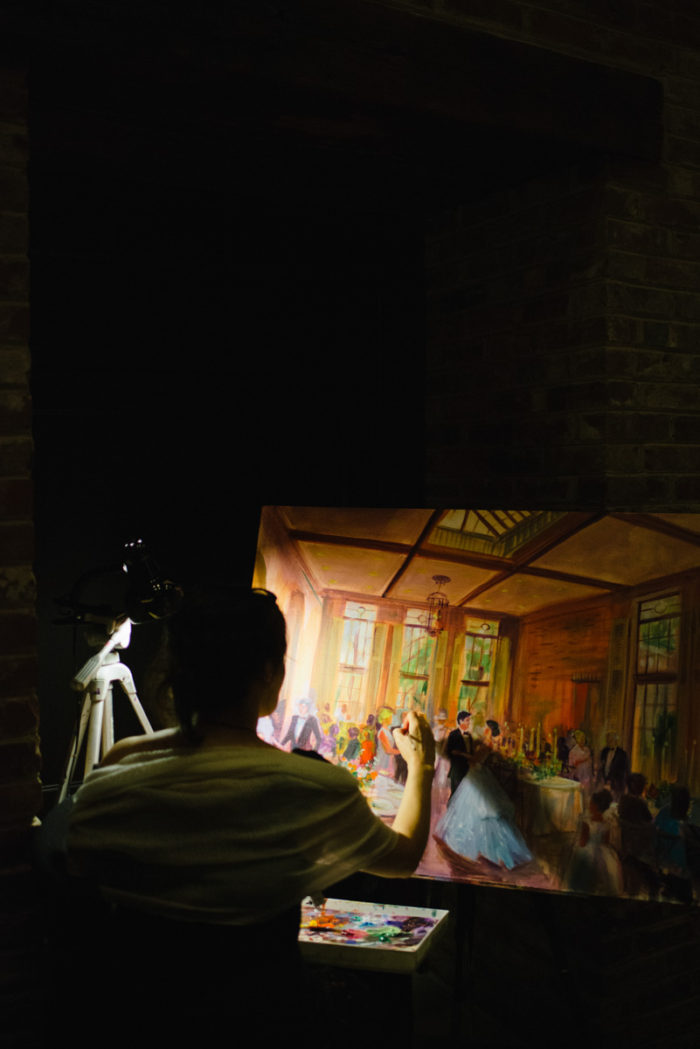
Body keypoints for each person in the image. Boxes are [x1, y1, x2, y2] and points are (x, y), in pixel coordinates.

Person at [60, 585, 435, 1046]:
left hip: (135, 1015)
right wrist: (422, 766)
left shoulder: (122, 763)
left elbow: (82, 873)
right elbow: (403, 857)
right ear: (268, 672)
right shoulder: (311, 786)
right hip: (257, 1016)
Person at [434, 719, 533, 870]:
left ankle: (487, 853)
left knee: (481, 810)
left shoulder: (486, 745)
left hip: (478, 776)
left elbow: (475, 760)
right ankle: (488, 853)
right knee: (473, 809)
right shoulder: (487, 743)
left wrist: (462, 754)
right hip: (478, 775)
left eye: (486, 729)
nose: (483, 731)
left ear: (489, 730)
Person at [564, 789, 623, 896]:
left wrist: (578, 846)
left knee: (582, 877)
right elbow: (606, 842)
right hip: (603, 853)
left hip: (588, 851)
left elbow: (583, 841)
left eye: (591, 803)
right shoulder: (607, 823)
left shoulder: (587, 822)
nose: (589, 805)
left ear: (596, 806)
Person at [445, 710, 474, 798]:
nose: (469, 722)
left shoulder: (469, 736)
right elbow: (449, 751)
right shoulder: (453, 734)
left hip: (467, 770)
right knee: (455, 794)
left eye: (469, 720)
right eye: (467, 720)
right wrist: (463, 755)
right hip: (457, 770)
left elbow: (472, 752)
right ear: (461, 721)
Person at [597, 732, 629, 801]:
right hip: (605, 782)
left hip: (616, 783)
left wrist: (612, 779)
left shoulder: (622, 754)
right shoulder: (604, 751)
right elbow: (601, 765)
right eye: (608, 740)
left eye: (611, 740)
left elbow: (624, 770)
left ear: (616, 741)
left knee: (615, 801)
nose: (609, 742)